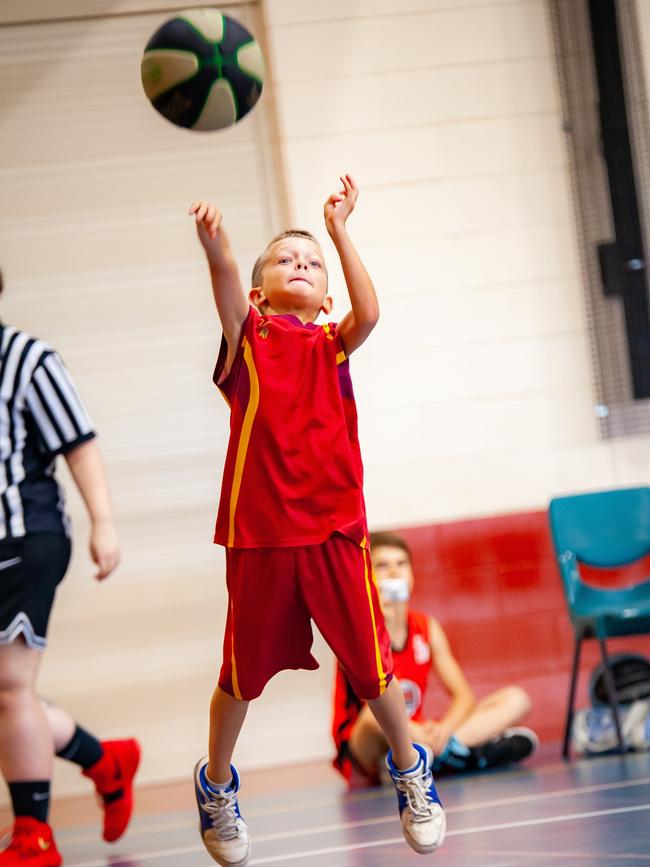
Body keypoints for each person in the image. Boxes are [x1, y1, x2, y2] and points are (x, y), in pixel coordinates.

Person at [190, 175, 446, 867]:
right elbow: (222, 283)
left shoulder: (332, 341)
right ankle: (216, 783)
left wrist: (337, 229)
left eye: (311, 263)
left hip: (335, 531)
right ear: (258, 292)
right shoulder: (248, 338)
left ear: (325, 294)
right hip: (261, 537)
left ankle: (409, 766)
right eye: (285, 259)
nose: (298, 264)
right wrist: (218, 246)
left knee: (373, 670)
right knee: (239, 676)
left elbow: (371, 311)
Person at [0, 270, 140, 866]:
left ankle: (34, 834)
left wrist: (103, 522)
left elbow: (79, 445)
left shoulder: (27, 359)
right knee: (6, 695)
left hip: (23, 537)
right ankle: (103, 759)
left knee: (9, 687)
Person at [333, 531, 538, 786]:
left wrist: (444, 730)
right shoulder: (356, 633)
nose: (394, 572)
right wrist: (379, 618)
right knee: (375, 715)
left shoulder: (426, 627)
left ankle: (439, 754)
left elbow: (464, 696)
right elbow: (373, 703)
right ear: (367, 578)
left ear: (412, 577)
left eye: (401, 564)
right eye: (382, 566)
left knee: (516, 699)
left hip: (420, 734)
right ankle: (457, 753)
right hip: (367, 745)